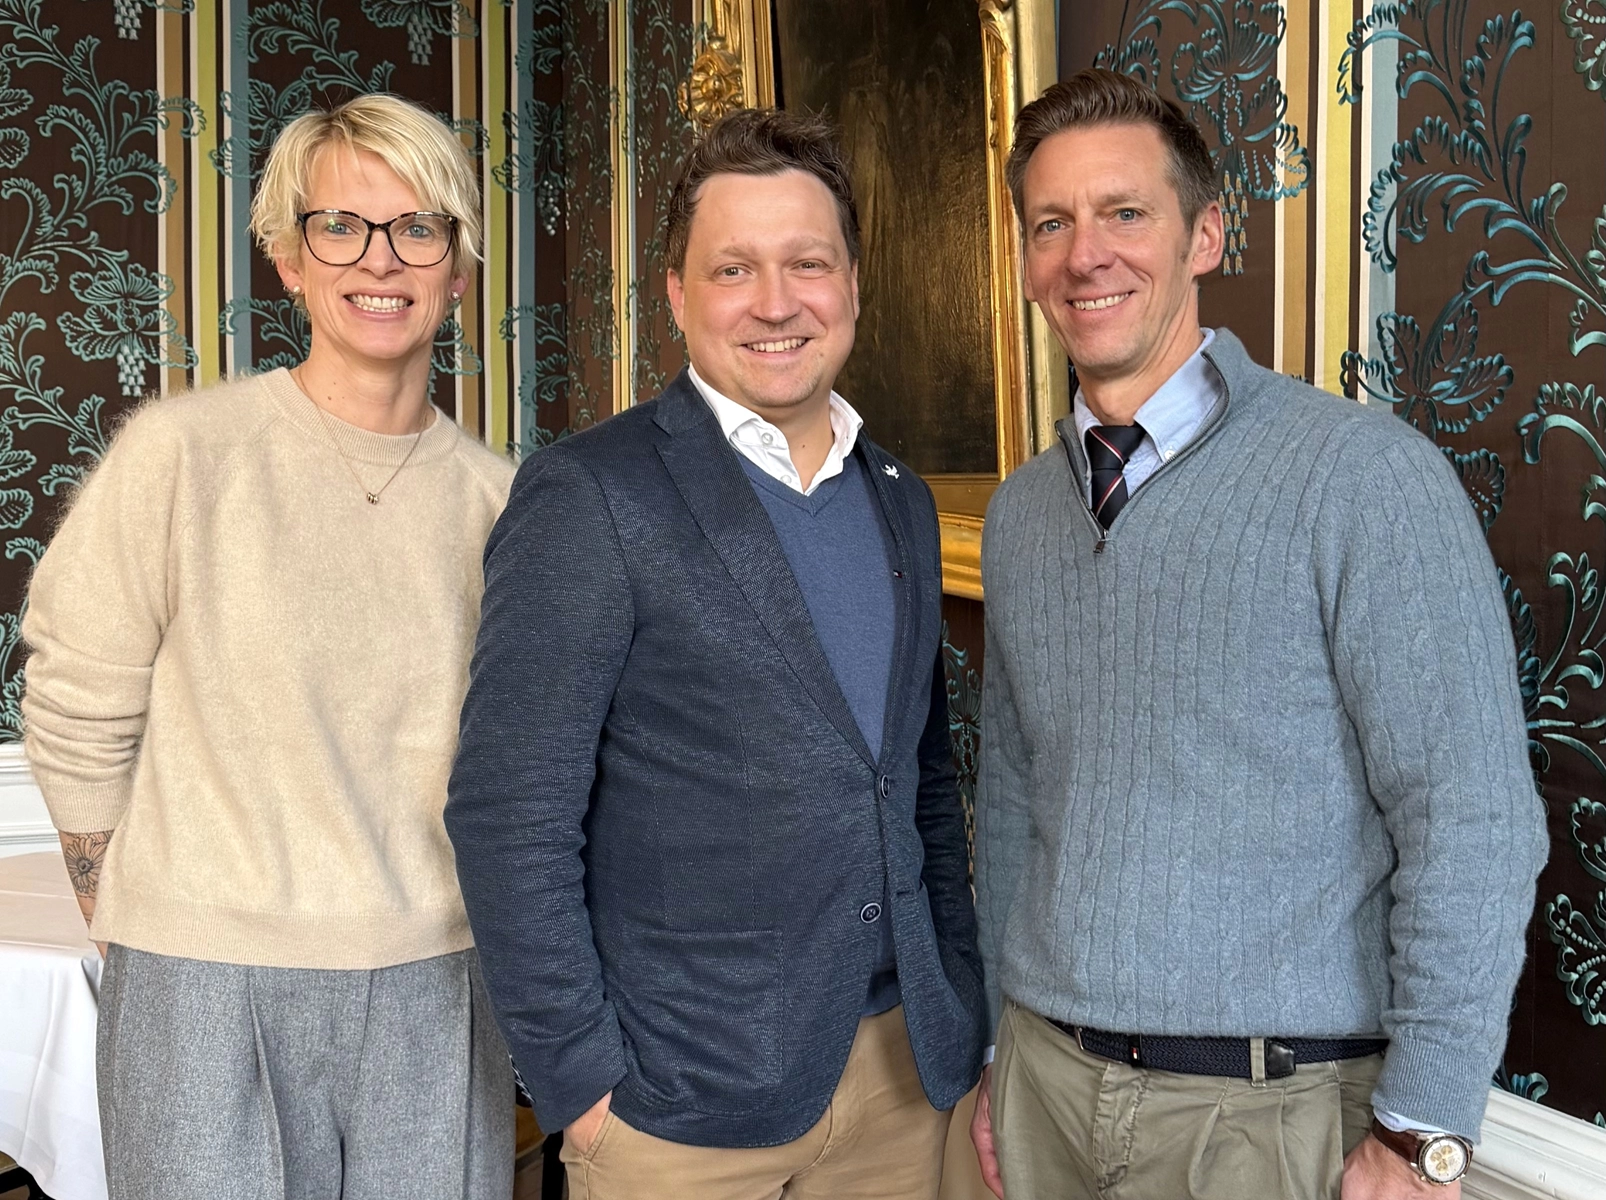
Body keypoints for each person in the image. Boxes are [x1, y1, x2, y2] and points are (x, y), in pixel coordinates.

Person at [969, 69, 1546, 1200]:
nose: (1086, 254)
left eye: (1124, 212)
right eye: (1050, 223)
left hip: (1269, 1120)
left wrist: (1425, 1125)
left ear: (1205, 235)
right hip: (1042, 1088)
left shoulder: (1364, 479)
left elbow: (1470, 816)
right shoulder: (1020, 515)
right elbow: (1014, 799)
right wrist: (998, 1049)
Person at [446, 107, 987, 1200]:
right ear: (677, 294)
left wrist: (961, 1010)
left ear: (852, 285)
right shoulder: (590, 495)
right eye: (733, 268)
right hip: (675, 1110)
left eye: (807, 264)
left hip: (903, 1083)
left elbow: (921, 784)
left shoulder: (901, 499)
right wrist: (581, 1084)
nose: (776, 301)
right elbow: (509, 814)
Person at [22, 93, 516, 1199]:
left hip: (438, 974)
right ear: (290, 260)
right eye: (340, 225)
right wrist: (121, 906)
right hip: (198, 975)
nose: (378, 257)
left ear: (458, 269)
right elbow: (74, 692)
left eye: (418, 227)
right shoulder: (182, 455)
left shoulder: (506, 506)